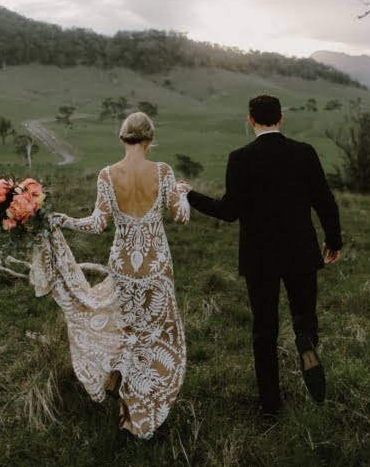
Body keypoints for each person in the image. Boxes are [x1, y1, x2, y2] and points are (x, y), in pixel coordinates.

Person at [31, 111, 191, 439]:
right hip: (156, 268)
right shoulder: (163, 172)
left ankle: (125, 399)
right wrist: (182, 192)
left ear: (122, 137)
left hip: (123, 268)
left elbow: (97, 224)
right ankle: (145, 408)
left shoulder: (107, 175)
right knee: (156, 337)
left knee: (127, 334)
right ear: (150, 140)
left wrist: (63, 220)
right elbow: (181, 217)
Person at [183, 94, 342, 418]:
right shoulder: (305, 152)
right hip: (300, 251)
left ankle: (270, 404)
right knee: (304, 314)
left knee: (264, 329)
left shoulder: (240, 158)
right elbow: (324, 200)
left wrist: (190, 195)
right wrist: (334, 240)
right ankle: (305, 338)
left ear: (251, 120)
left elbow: (228, 211)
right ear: (281, 118)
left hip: (259, 258)